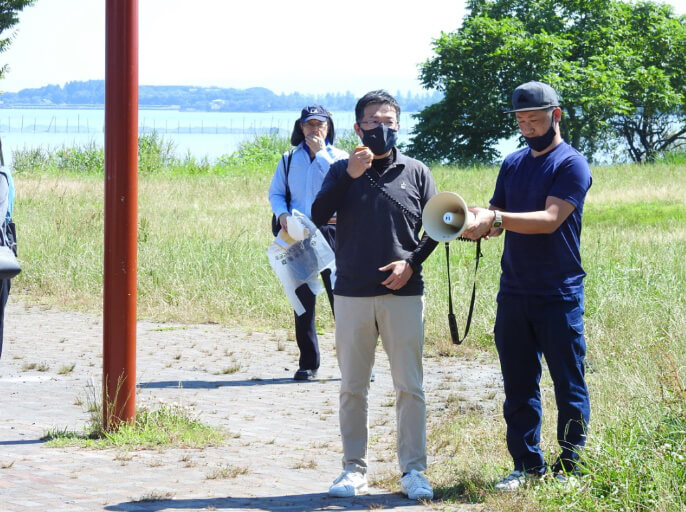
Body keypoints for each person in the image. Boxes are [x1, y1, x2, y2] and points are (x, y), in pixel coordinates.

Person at [462, 81, 592, 490]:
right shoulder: (513, 163)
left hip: (558, 293)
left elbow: (551, 218)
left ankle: (570, 467)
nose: (528, 127)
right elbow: (498, 217)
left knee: (568, 382)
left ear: (556, 115)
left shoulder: (572, 164)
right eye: (521, 121)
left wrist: (496, 220)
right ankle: (526, 465)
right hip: (514, 291)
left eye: (535, 119)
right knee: (518, 382)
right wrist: (473, 220)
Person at [312, 90, 438, 500]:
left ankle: (414, 472)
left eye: (388, 120)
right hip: (351, 292)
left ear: (398, 125)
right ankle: (353, 469)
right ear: (357, 127)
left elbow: (437, 225)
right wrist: (349, 173)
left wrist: (412, 264)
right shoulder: (340, 170)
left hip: (404, 294)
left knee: (410, 386)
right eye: (372, 120)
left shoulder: (416, 171)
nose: (381, 127)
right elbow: (317, 215)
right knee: (352, 386)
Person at [268, 105, 348, 381]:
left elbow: (344, 188)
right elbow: (276, 193)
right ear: (300, 128)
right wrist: (283, 214)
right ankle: (308, 363)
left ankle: (355, 365)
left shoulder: (340, 158)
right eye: (309, 125)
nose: (314, 129)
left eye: (320, 124)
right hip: (298, 234)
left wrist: (321, 154)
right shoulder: (288, 159)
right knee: (303, 301)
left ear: (329, 128)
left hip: (333, 232)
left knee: (343, 300)